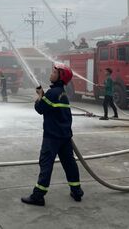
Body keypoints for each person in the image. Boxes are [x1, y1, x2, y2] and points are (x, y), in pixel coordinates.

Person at [21, 63, 83, 206]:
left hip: (52, 136)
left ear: (60, 76)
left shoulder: (52, 93)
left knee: (46, 164)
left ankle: (38, 196)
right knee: (69, 164)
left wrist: (39, 96)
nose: (51, 73)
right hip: (65, 136)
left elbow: (40, 108)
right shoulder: (62, 94)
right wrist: (43, 95)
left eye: (54, 72)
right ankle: (77, 191)